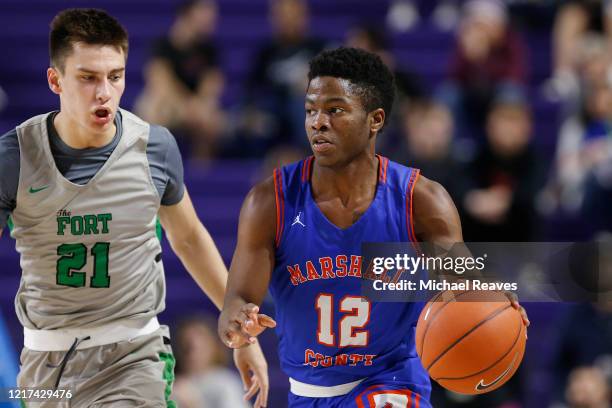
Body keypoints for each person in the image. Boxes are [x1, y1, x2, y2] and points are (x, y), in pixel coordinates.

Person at [219, 47, 529, 407]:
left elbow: (458, 282)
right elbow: (236, 301)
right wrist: (238, 324)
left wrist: (490, 301)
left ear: (375, 119)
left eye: (335, 110)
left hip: (393, 384)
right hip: (308, 394)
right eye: (310, 110)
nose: (317, 122)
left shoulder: (422, 200)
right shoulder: (269, 202)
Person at [0, 9, 267, 408]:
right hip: (44, 363)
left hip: (133, 353)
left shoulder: (154, 147)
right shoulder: (14, 157)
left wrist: (239, 330)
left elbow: (189, 237)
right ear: (56, 80)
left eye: (115, 76)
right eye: (88, 78)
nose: (104, 91)